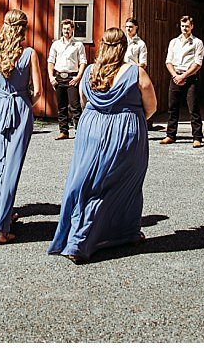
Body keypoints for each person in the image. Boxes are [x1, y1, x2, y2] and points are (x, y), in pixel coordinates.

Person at [49, 27, 161, 263]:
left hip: (90, 130)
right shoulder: (136, 72)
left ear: (102, 46)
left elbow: (83, 100)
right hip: (125, 132)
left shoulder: (90, 71)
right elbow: (151, 107)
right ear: (123, 48)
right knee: (123, 184)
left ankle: (88, 235)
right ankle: (88, 240)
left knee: (89, 182)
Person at [0, 10, 44, 244]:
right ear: (24, 28)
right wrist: (24, 103)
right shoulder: (29, 54)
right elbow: (38, 91)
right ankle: (2, 228)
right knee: (11, 167)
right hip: (19, 109)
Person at [161, 15, 204, 146]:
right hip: (175, 76)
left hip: (190, 78)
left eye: (187, 26)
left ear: (192, 26)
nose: (184, 28)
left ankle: (197, 137)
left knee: (193, 108)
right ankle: (170, 135)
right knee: (172, 108)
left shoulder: (197, 43)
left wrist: (184, 76)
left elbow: (197, 63)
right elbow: (168, 61)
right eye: (182, 26)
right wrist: (175, 75)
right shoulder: (174, 42)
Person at [48, 20, 86, 140]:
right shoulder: (56, 45)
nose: (66, 31)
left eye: (68, 29)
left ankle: (80, 132)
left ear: (72, 29)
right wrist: (51, 77)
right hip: (59, 77)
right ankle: (63, 131)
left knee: (75, 106)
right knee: (61, 106)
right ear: (61, 29)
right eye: (64, 29)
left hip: (72, 78)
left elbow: (83, 62)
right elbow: (51, 61)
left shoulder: (78, 45)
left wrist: (78, 77)